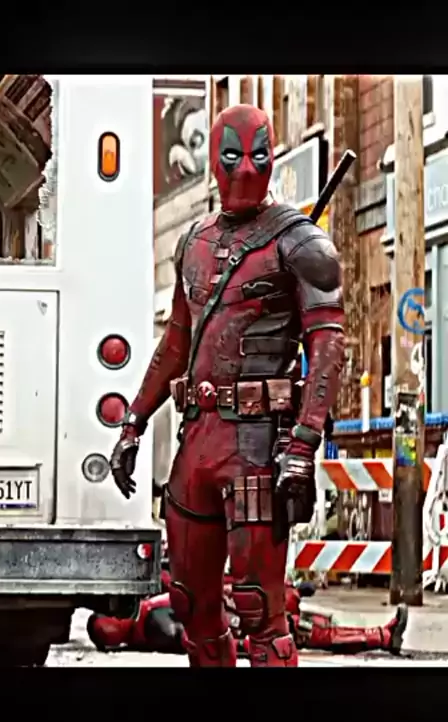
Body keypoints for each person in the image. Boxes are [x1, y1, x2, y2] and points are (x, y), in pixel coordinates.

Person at [109, 103, 345, 667]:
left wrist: (304, 443)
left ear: (273, 158)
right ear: (214, 161)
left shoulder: (302, 244)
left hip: (257, 448)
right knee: (190, 605)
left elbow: (328, 347)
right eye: (233, 156)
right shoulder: (192, 241)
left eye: (258, 156)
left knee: (260, 611)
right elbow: (176, 343)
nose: (245, 169)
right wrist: (134, 421)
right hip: (198, 440)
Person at [87, 575, 408, 658]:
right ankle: (380, 636)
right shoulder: (155, 624)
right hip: (240, 624)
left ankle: (380, 635)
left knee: (310, 627)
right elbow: (195, 634)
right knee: (308, 631)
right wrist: (242, 640)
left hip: (237, 616)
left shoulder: (147, 613)